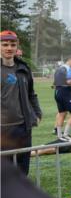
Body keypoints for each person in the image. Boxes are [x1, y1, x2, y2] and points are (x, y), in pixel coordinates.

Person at [0, 31, 41, 174]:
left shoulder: (23, 68)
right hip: (2, 130)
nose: (8, 48)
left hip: (23, 128)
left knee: (23, 170)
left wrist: (37, 113)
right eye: (4, 44)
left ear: (17, 46)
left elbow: (31, 94)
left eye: (12, 44)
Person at [53, 56, 71, 140]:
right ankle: (66, 134)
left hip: (57, 92)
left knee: (62, 113)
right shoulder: (68, 69)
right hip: (65, 92)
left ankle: (59, 136)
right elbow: (69, 81)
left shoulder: (59, 69)